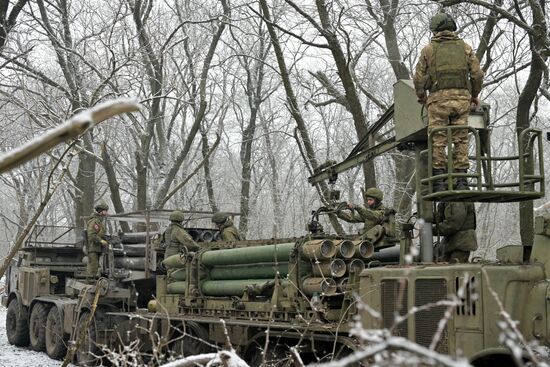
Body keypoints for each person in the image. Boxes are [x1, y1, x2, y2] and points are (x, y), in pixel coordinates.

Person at [413, 12, 484, 191]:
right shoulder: (465, 48)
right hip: (461, 100)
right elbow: (477, 74)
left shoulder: (428, 49)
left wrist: (421, 96)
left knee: (438, 139)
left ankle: (439, 182)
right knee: (461, 139)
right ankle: (461, 181)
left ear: (435, 29)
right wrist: (474, 94)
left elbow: (419, 77)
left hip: (438, 101)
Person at [86, 201, 109, 278]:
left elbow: (100, 233)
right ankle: (90, 284)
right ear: (100, 211)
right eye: (105, 211)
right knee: (93, 268)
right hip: (93, 248)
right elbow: (91, 234)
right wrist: (101, 240)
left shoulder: (99, 221)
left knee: (96, 268)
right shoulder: (94, 221)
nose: (106, 213)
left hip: (97, 248)